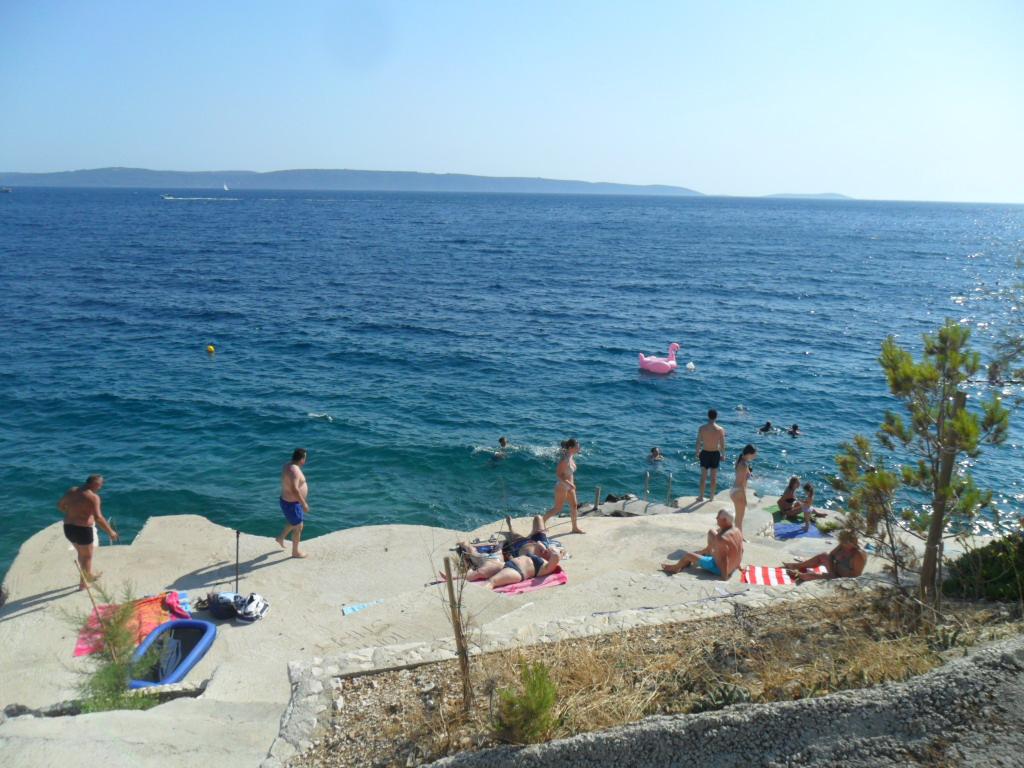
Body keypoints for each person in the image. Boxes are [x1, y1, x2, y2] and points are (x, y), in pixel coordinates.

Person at [58, 475, 119, 590]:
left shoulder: (72, 491)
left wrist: (72, 513)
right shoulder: (93, 497)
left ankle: (88, 574)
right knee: (87, 556)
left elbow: (60, 505)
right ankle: (83, 584)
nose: (101, 487)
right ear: (95, 484)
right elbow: (98, 518)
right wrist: (110, 532)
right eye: (100, 485)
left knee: (82, 554)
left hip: (68, 527)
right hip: (83, 530)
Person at [661, 508, 744, 580]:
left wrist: (724, 576)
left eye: (718, 517)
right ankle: (706, 552)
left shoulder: (722, 539)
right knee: (711, 532)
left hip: (719, 567)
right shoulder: (737, 530)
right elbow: (741, 549)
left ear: (724, 520)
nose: (716, 518)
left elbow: (723, 559)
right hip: (733, 565)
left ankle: (675, 568)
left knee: (688, 555)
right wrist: (737, 564)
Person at [784, 530, 868, 581]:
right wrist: (832, 570)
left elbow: (855, 576)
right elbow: (831, 555)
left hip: (842, 578)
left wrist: (833, 576)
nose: (842, 544)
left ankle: (799, 575)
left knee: (812, 575)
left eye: (845, 542)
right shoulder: (843, 545)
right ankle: (796, 566)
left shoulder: (858, 554)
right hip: (834, 570)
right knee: (823, 555)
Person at [542, 439, 585, 534]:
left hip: (570, 487)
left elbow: (569, 473)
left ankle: (574, 528)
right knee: (557, 508)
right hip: (562, 486)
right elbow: (559, 475)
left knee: (574, 506)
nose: (579, 449)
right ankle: (541, 523)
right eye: (577, 447)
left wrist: (571, 484)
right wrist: (570, 484)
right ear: (570, 448)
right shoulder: (564, 460)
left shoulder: (571, 456)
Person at [277, 448, 310, 558]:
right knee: (298, 526)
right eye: (305, 458)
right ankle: (295, 552)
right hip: (292, 503)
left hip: (289, 501)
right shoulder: (295, 471)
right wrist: (304, 504)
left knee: (294, 521)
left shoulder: (288, 465)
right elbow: (295, 489)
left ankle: (281, 537)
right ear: (302, 459)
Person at [696, 409, 727, 501]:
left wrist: (697, 452)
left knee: (703, 477)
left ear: (708, 416)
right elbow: (722, 444)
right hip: (715, 453)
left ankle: (701, 496)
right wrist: (723, 455)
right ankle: (711, 497)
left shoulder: (702, 428)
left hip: (705, 453)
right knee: (713, 478)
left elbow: (698, 442)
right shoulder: (720, 429)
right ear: (716, 417)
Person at [730, 444, 757, 531]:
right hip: (739, 491)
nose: (755, 456)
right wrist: (744, 498)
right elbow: (741, 483)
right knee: (739, 519)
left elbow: (746, 475)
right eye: (754, 455)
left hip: (736, 490)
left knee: (738, 518)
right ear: (749, 454)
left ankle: (736, 535)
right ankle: (739, 536)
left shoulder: (741, 461)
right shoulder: (743, 465)